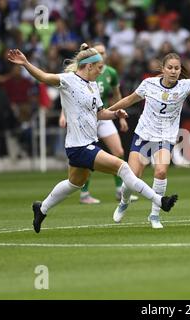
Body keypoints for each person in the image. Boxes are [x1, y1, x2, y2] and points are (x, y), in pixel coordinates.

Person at [7, 44, 178, 234]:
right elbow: (43, 77)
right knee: (123, 167)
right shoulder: (68, 80)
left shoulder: (94, 86)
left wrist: (116, 114)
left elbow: (99, 113)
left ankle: (42, 208)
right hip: (79, 146)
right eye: (99, 67)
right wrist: (26, 64)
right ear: (88, 66)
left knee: (75, 183)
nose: (101, 71)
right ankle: (160, 201)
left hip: (89, 142)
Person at [108, 12, 190, 229]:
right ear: (163, 69)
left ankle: (154, 215)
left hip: (165, 136)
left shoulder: (185, 86)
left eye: (177, 68)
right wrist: (106, 112)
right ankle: (123, 202)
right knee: (132, 177)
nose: (174, 71)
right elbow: (129, 99)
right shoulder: (148, 84)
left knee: (160, 171)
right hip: (144, 133)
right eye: (170, 68)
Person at [59, 43, 139, 204]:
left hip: (101, 114)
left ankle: (119, 190)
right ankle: (85, 192)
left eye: (103, 52)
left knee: (118, 151)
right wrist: (63, 114)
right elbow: (69, 96)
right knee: (88, 158)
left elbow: (116, 95)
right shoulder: (82, 73)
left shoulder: (109, 72)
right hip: (84, 118)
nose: (102, 54)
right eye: (99, 52)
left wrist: (119, 116)